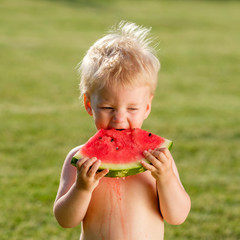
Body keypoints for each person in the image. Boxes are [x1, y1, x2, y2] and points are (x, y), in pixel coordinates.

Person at [53, 21, 191, 240]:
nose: (119, 118)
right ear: (89, 104)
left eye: (132, 108)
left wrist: (165, 179)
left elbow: (177, 216)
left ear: (147, 106)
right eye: (108, 108)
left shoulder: (158, 160)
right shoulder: (79, 160)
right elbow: (64, 220)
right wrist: (82, 188)